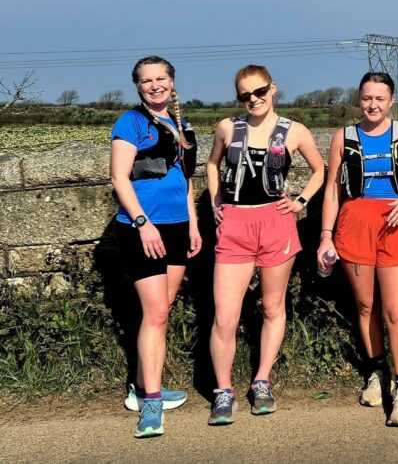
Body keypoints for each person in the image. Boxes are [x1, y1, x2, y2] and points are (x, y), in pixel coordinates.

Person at [205, 65, 325, 425]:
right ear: (238, 97)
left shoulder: (294, 130)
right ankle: (223, 391)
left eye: (259, 92)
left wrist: (301, 201)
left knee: (273, 307)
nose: (253, 99)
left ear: (272, 88)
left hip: (277, 224)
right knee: (225, 316)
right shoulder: (228, 128)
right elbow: (212, 166)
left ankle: (261, 381)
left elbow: (321, 170)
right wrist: (215, 203)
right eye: (245, 95)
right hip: (235, 224)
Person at [317, 72, 398, 426]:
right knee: (366, 307)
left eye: (380, 98)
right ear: (358, 99)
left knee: (397, 311)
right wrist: (325, 235)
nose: (373, 105)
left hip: (397, 221)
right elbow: (333, 190)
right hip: (355, 223)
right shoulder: (343, 137)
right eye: (367, 98)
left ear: (391, 100)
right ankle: (377, 371)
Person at [110, 56, 200, 438]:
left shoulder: (181, 123)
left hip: (178, 227)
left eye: (160, 78)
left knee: (162, 312)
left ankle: (147, 387)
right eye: (146, 80)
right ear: (138, 86)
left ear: (172, 81)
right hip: (142, 229)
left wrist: (194, 224)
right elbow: (118, 176)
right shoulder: (130, 122)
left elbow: (185, 178)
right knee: (157, 312)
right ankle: (150, 401)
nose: (154, 85)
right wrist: (143, 223)